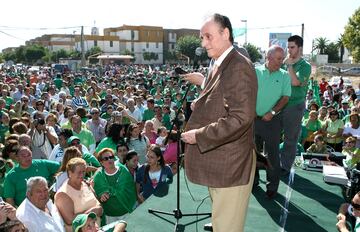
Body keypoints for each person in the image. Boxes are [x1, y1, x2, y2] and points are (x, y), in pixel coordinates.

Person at [181, 14, 257, 232]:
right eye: (201, 37)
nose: (203, 43)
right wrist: (202, 103)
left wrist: (199, 135)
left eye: (208, 36)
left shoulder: (238, 65)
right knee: (221, 221)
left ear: (226, 34)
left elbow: (240, 118)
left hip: (230, 164)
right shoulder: (222, 62)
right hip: (221, 161)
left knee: (227, 227)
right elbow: (223, 99)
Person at [253, 45, 291, 198]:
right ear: (268, 57)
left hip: (273, 121)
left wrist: (272, 112)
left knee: (273, 156)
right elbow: (247, 93)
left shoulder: (284, 76)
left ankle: (272, 186)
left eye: (282, 59)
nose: (281, 62)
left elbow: (285, 98)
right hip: (253, 120)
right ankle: (253, 181)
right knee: (252, 153)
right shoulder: (255, 72)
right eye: (278, 59)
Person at [280, 35, 312, 174]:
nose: (289, 50)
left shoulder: (305, 66)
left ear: (300, 48)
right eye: (288, 47)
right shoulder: (284, 63)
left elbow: (295, 82)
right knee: (271, 135)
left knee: (290, 138)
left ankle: (285, 167)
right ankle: (270, 161)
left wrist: (289, 65)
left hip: (294, 105)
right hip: (279, 103)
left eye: (292, 47)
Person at [54, 157, 103, 231]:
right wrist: (91, 212)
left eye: (84, 171)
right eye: (79, 172)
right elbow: (70, 221)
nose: (82, 175)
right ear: (70, 173)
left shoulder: (85, 184)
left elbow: (97, 203)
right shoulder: (62, 194)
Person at [93, 148, 136, 223]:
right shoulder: (98, 176)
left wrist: (108, 191)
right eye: (106, 158)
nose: (109, 160)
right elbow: (97, 193)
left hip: (125, 211)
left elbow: (127, 189)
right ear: (101, 162)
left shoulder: (123, 170)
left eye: (111, 157)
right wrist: (101, 195)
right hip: (109, 214)